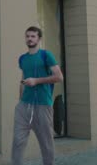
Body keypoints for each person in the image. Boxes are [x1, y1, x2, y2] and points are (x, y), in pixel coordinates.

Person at [11, 26, 64, 165]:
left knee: (46, 143)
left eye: (33, 36)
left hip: (43, 105)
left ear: (39, 39)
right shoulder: (22, 58)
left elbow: (59, 77)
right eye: (27, 36)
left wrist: (36, 81)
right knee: (18, 141)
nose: (30, 38)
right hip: (24, 107)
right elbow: (23, 80)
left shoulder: (46, 55)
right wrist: (20, 101)